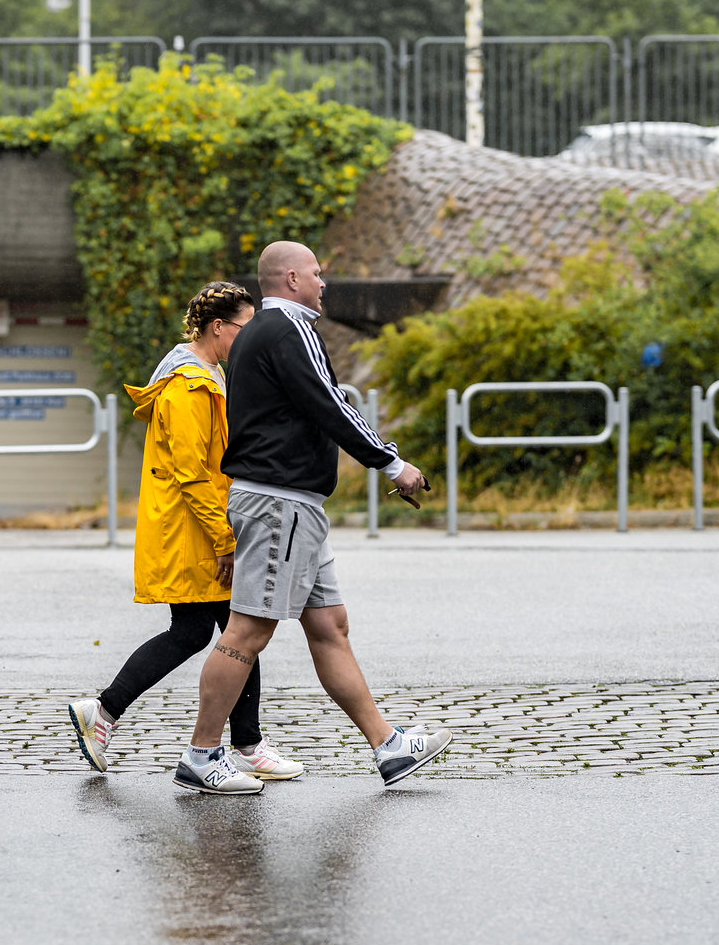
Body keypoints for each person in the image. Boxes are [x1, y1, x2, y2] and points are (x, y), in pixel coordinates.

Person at [173, 243, 452, 795]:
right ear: (293, 278)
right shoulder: (287, 328)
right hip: (280, 504)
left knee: (330, 626)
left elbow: (312, 406)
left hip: (294, 505)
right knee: (248, 631)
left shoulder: (261, 333)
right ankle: (202, 755)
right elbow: (330, 403)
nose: (325, 285)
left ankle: (388, 746)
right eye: (319, 275)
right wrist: (391, 462)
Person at [68, 282, 304, 781]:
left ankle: (238, 741)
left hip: (198, 524)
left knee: (219, 632)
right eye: (246, 326)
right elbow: (194, 472)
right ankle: (238, 743)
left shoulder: (204, 375)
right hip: (196, 530)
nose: (252, 336)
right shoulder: (190, 386)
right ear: (219, 327)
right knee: (236, 632)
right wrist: (224, 539)